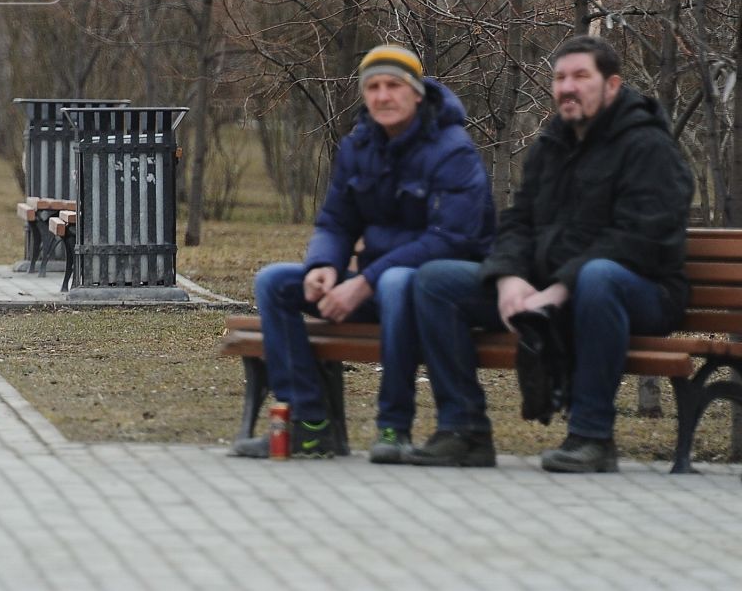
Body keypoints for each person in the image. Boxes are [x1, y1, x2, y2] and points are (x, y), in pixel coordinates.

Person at [408, 35, 693, 473]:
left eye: (581, 76)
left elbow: (643, 239)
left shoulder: (648, 146)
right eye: (560, 78)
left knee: (598, 278)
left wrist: (561, 287)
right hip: (550, 287)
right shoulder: (549, 147)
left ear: (612, 85)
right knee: (435, 281)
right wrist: (508, 278)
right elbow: (518, 222)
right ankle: (463, 430)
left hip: (641, 292)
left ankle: (592, 437)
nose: (567, 87)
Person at [232, 44, 495, 461]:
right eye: (373, 87)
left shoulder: (453, 149)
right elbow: (336, 222)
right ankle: (308, 423)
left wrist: (365, 282)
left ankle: (393, 428)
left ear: (416, 93)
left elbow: (452, 238)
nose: (382, 96)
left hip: (435, 292)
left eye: (393, 85)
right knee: (275, 282)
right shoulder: (358, 146)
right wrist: (324, 266)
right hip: (373, 284)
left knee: (395, 281)